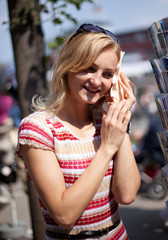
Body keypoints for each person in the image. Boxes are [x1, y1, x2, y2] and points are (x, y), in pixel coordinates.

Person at [16, 23, 141, 239]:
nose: (96, 81)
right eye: (89, 68)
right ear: (68, 66)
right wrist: (107, 148)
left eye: (107, 74)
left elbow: (127, 194)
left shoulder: (107, 122)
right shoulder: (37, 129)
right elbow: (64, 215)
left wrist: (120, 118)